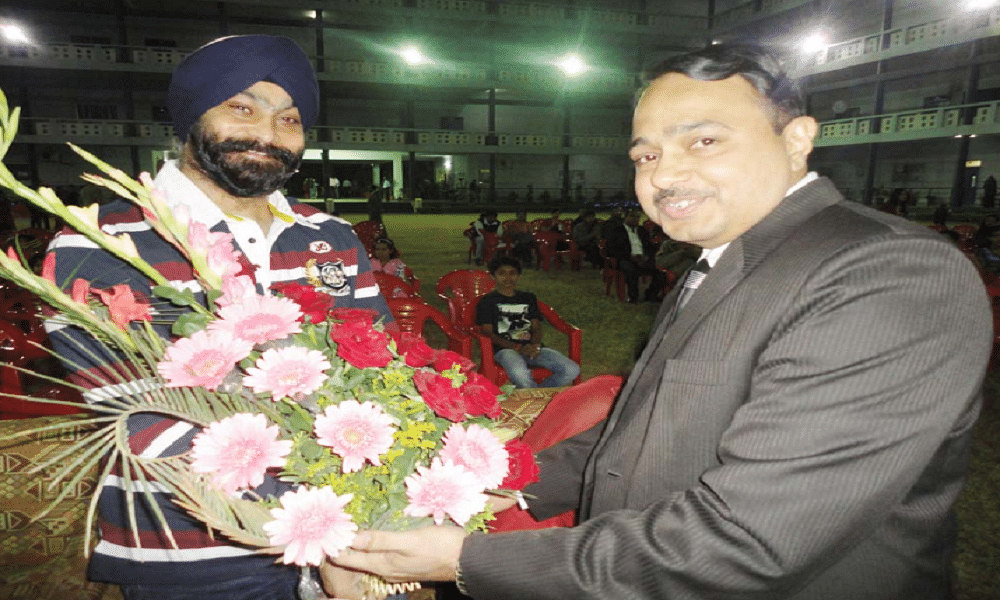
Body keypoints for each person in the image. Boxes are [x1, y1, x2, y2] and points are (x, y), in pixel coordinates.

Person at [323, 42, 992, 600]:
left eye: (703, 140)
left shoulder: (883, 272)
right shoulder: (725, 258)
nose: (665, 175)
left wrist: (468, 561)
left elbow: (752, 539)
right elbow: (639, 432)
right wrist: (509, 484)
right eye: (645, 155)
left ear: (797, 140)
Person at [46, 34, 392, 600]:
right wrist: (318, 517)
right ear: (191, 116)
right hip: (194, 551)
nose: (268, 135)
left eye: (290, 119)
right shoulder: (102, 241)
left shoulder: (330, 235)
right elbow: (142, 417)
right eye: (242, 108)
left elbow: (383, 370)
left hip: (347, 534)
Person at [474, 256, 579, 389]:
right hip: (505, 350)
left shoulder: (528, 298)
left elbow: (536, 327)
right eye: (502, 273)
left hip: (531, 348)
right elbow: (488, 332)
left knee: (572, 369)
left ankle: (537, 394)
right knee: (519, 373)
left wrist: (535, 345)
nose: (508, 278)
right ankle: (534, 397)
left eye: (512, 273)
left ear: (519, 276)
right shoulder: (487, 301)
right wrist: (517, 347)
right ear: (493, 276)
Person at [604, 207, 667, 302]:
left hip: (643, 258)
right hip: (626, 258)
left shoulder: (642, 230)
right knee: (631, 270)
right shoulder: (617, 231)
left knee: (660, 273)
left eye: (637, 217)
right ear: (625, 217)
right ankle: (633, 297)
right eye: (632, 216)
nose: (635, 219)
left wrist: (647, 256)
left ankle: (651, 295)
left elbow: (649, 247)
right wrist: (629, 256)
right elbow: (610, 249)